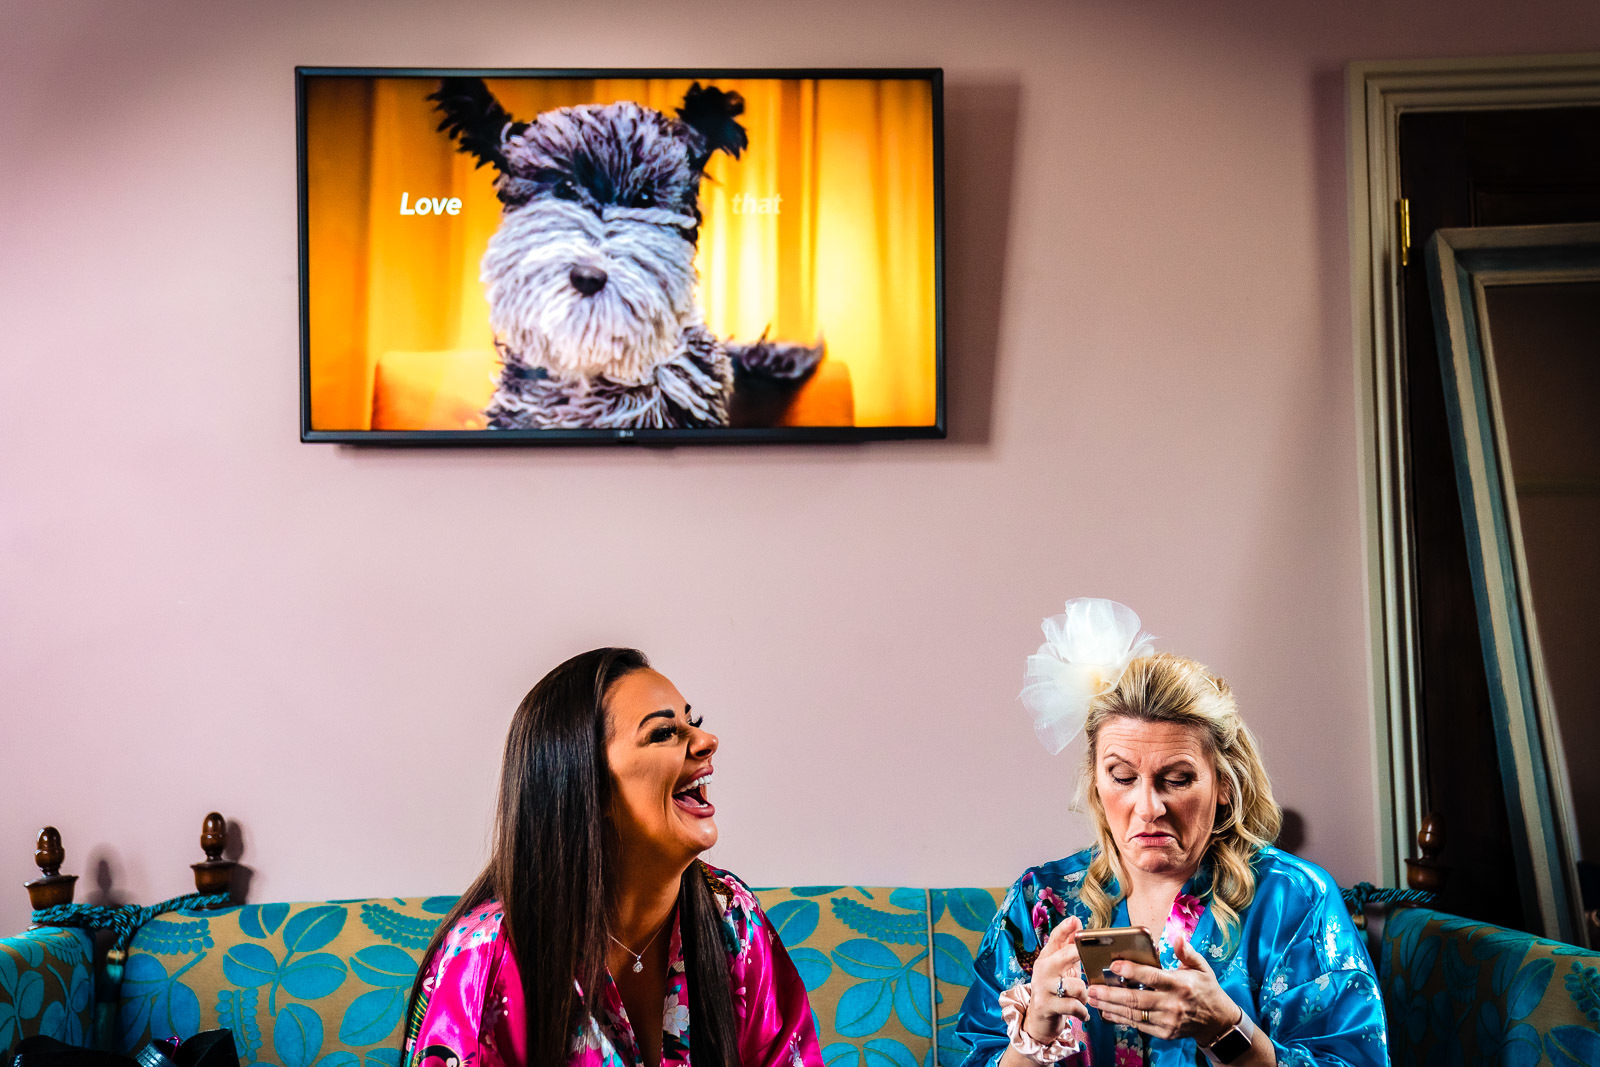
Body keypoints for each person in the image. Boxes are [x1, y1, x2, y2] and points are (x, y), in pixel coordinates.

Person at [956, 599, 1386, 1067]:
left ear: (1224, 784)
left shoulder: (1293, 901)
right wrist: (1035, 1031)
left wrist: (1226, 1029)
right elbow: (975, 1052)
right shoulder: (1039, 902)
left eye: (1177, 779)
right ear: (1096, 783)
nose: (1148, 807)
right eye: (1123, 777)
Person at [402, 648, 822, 1067]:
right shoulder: (486, 963)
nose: (707, 741)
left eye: (692, 724)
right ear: (589, 786)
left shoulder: (730, 914)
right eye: (663, 733)